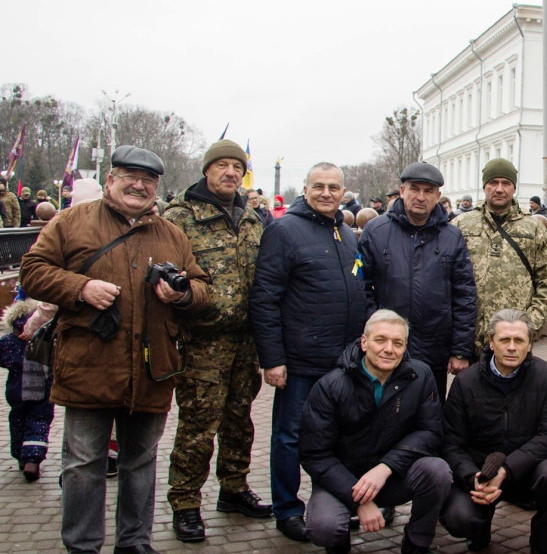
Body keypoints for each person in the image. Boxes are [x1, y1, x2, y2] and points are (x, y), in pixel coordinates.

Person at [20, 145, 209, 554]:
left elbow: (201, 287)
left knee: (140, 464)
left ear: (157, 187)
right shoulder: (72, 222)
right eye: (130, 177)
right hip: (90, 366)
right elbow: (32, 271)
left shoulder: (171, 233)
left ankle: (135, 542)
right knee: (83, 464)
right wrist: (80, 288)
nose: (139, 185)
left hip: (152, 369)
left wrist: (181, 296)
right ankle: (83, 546)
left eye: (148, 181)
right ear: (111, 180)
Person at [251, 162, 369, 542]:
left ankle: (335, 503)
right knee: (290, 436)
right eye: (318, 186)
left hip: (344, 362)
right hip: (300, 362)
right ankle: (287, 509)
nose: (326, 193)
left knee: (338, 437)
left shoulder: (345, 234)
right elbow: (265, 299)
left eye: (334, 187)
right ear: (305, 189)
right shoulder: (284, 231)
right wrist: (272, 359)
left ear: (343, 190)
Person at [163, 139, 271, 542]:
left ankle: (234, 488)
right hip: (201, 341)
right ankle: (186, 501)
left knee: (239, 421)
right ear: (207, 170)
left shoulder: (251, 218)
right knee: (197, 425)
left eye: (236, 167)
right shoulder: (180, 216)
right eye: (222, 165)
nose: (230, 173)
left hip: (246, 341)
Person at [300, 309, 452, 554]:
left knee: (438, 471)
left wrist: (385, 467)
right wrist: (359, 500)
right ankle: (338, 547)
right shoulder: (330, 385)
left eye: (397, 343)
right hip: (343, 481)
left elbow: (430, 432)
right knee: (323, 527)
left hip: (394, 476)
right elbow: (314, 454)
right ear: (364, 342)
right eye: (380, 340)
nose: (389, 349)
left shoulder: (421, 375)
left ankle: (416, 542)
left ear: (405, 347)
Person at [440, 309, 547, 554]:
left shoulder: (546, 376)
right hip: (478, 473)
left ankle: (542, 542)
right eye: (504, 340)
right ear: (491, 342)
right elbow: (451, 442)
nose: (512, 347)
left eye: (519, 340)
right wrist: (473, 478)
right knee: (460, 519)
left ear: (530, 344)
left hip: (525, 470)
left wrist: (507, 470)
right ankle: (479, 527)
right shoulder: (465, 382)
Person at [359, 161, 477, 397]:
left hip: (434, 350)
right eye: (414, 189)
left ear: (438, 196)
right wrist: (377, 328)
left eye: (428, 191)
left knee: (430, 416)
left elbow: (464, 294)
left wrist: (460, 350)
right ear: (402, 191)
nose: (420, 196)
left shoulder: (451, 237)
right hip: (386, 348)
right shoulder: (376, 231)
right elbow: (361, 288)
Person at [454, 159, 547, 353]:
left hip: (515, 342)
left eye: (505, 183)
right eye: (493, 183)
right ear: (484, 186)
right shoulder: (462, 225)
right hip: (469, 339)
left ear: (514, 188)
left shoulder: (533, 228)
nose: (499, 189)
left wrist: (530, 323)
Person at [0, 297, 57, 482]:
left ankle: (20, 455)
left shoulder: (9, 339)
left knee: (17, 421)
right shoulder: (47, 337)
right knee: (39, 422)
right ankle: (32, 459)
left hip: (16, 391)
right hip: (42, 390)